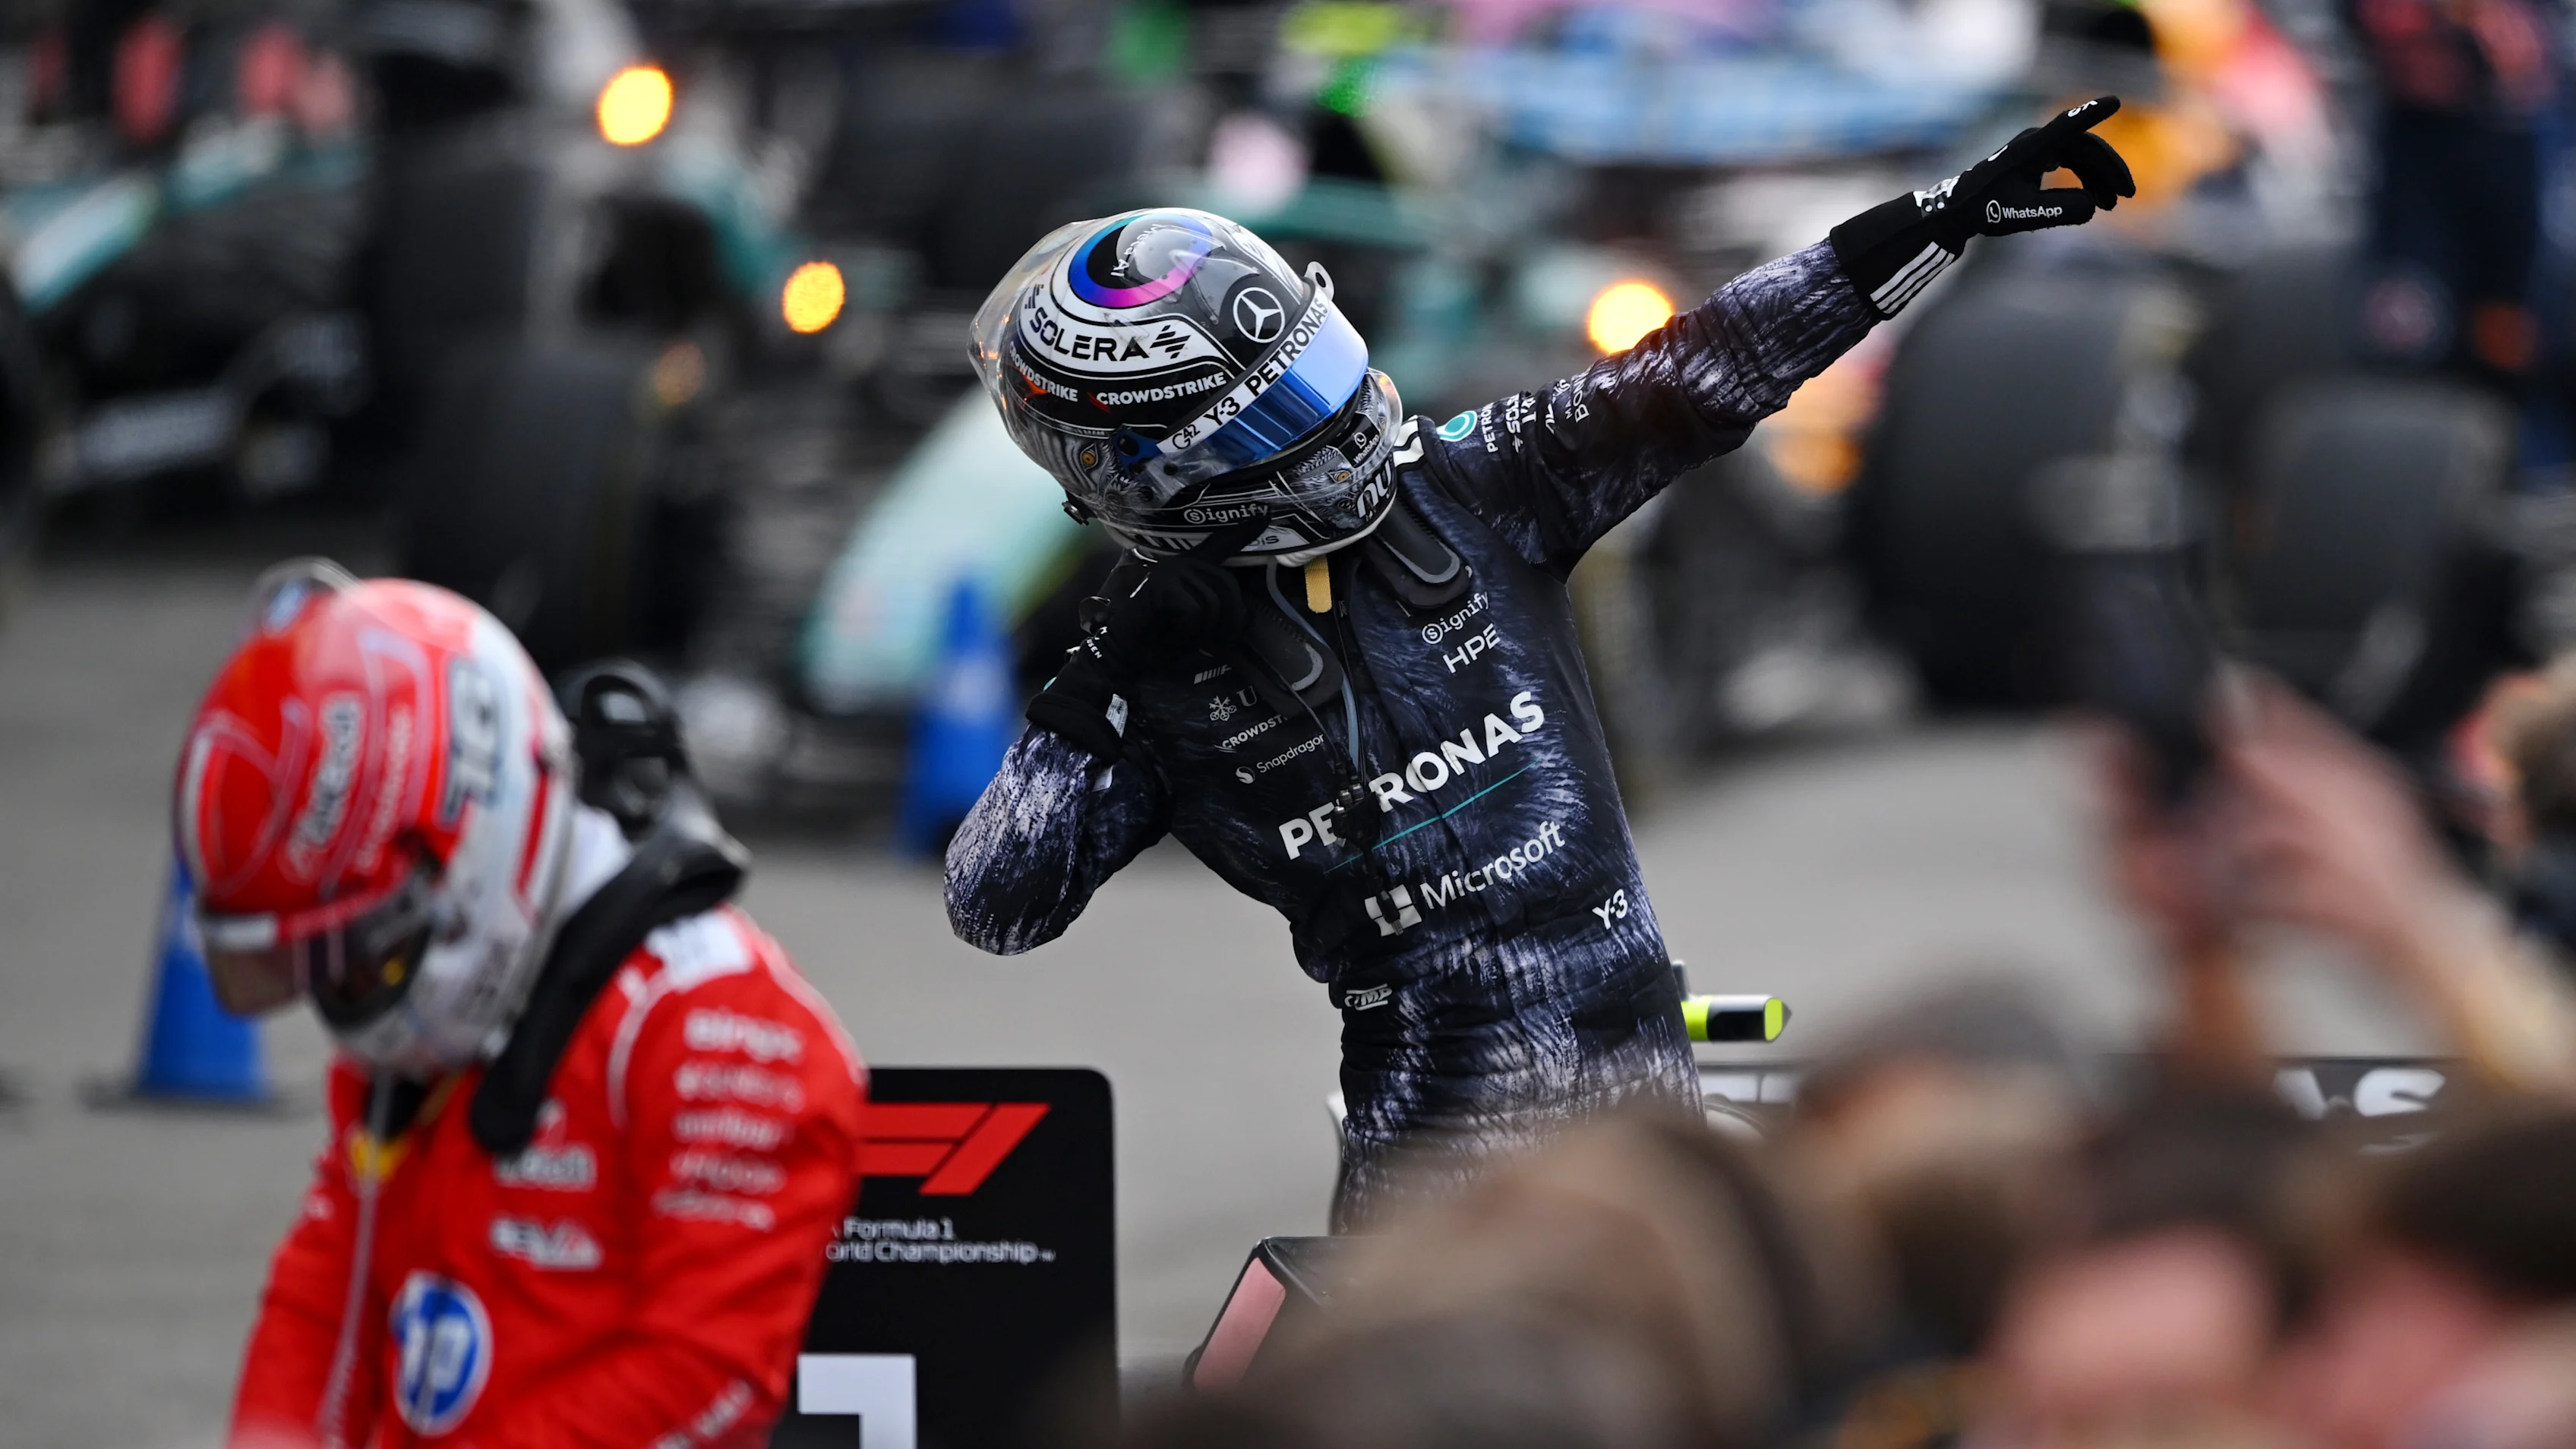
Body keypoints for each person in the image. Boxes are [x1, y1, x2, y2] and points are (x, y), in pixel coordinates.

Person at [945, 98, 2137, 1225]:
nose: (1329, 423)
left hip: (1639, 1089)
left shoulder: (1472, 483)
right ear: (1134, 475)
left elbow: (1713, 364)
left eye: (1309, 374)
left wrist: (1942, 217)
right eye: (1262, 422)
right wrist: (1092, 694)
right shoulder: (1137, 678)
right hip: (1429, 1138)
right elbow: (994, 909)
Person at [189, 564, 865, 1449]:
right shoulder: (430, 1021)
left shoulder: (717, 1024)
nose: (336, 993)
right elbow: (333, 1288)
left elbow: (709, 1371)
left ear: (462, 863)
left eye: (355, 956)